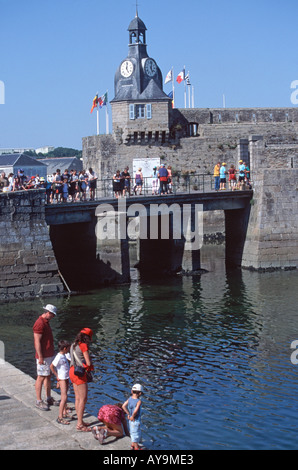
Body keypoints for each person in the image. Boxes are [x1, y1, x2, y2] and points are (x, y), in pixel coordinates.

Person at [33, 304, 59, 411]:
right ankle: (39, 401)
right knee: (41, 377)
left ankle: (48, 398)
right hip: (43, 356)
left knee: (47, 376)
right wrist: (40, 357)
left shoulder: (46, 322)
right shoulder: (39, 323)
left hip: (48, 354)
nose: (53, 317)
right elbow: (37, 341)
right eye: (52, 315)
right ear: (48, 312)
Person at [69, 328, 94, 432]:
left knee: (77, 398)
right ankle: (80, 424)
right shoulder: (83, 345)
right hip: (79, 374)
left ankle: (80, 421)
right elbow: (87, 363)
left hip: (72, 371)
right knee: (83, 399)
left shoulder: (73, 344)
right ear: (87, 337)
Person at [50, 340, 71, 425]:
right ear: (65, 348)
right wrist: (57, 376)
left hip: (66, 377)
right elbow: (51, 366)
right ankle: (60, 417)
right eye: (68, 349)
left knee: (65, 394)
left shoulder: (64, 355)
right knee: (64, 397)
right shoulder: (58, 356)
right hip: (62, 378)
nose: (69, 350)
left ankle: (65, 412)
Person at [122, 383, 143, 450]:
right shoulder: (138, 401)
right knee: (136, 433)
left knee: (132, 432)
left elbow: (123, 406)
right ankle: (136, 447)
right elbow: (136, 410)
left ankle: (133, 445)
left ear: (131, 391)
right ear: (140, 393)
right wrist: (133, 416)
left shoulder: (129, 398)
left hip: (130, 419)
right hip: (135, 420)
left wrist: (128, 414)